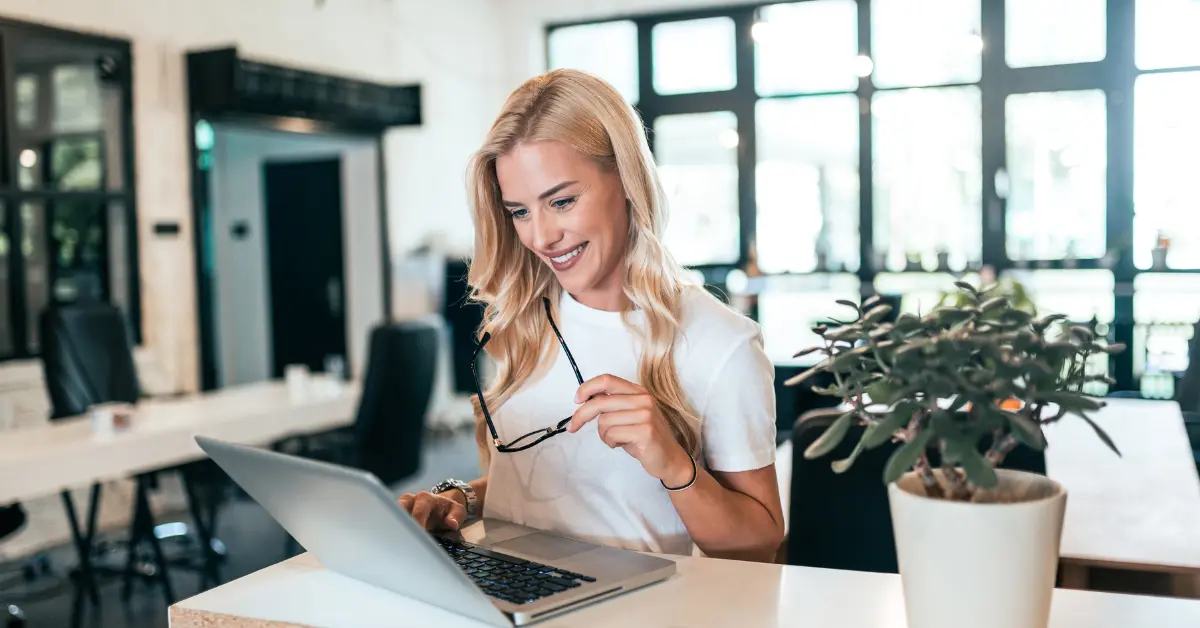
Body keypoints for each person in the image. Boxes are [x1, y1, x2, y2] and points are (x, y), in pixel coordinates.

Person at [398, 69, 783, 562]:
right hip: (512, 593)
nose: (540, 237)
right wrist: (461, 500)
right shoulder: (525, 319)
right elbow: (544, 485)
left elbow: (760, 541)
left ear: (626, 179)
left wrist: (672, 462)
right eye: (519, 211)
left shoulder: (721, 343)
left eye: (561, 201)